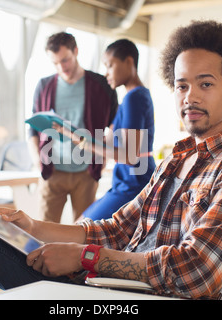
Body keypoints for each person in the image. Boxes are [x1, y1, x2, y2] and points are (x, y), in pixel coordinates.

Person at [0, 20, 222, 300]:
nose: (189, 97)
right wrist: (31, 226)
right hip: (104, 287)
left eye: (205, 84)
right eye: (182, 85)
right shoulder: (177, 159)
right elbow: (116, 229)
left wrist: (83, 258)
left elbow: (198, 269)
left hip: (132, 296)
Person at [54, 39, 156, 221]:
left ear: (129, 62)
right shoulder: (132, 98)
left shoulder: (135, 98)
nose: (106, 73)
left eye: (110, 65)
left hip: (134, 185)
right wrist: (73, 135)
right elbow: (109, 144)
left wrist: (84, 142)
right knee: (81, 226)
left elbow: (130, 156)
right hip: (127, 182)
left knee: (81, 227)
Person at [28, 32, 118, 223]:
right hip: (52, 172)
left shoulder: (101, 85)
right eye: (56, 63)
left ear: (75, 51)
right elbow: (33, 128)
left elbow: (114, 125)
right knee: (44, 233)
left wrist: (102, 159)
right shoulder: (44, 86)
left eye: (65, 60)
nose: (62, 67)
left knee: (83, 235)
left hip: (86, 173)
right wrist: (37, 160)